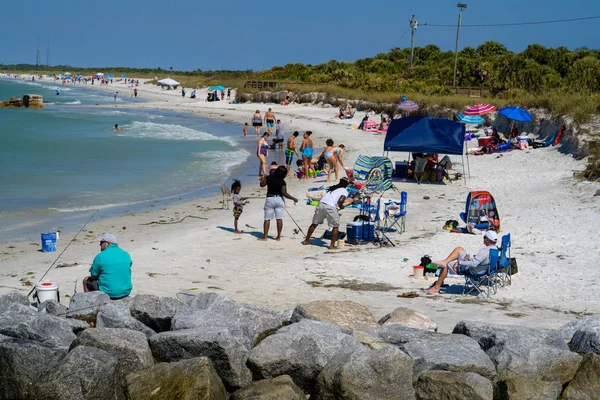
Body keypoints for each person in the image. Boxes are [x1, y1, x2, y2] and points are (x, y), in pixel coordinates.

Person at [424, 231, 499, 294]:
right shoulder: (495, 249)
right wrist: (469, 259)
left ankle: (436, 287)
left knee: (446, 265)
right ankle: (445, 261)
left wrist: (459, 262)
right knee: (460, 249)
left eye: (484, 237)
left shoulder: (484, 251)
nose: (484, 239)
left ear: (488, 240)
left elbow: (474, 264)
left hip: (472, 271)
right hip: (482, 270)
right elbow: (480, 261)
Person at [302, 178, 356, 249]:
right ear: (346, 185)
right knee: (335, 226)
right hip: (330, 206)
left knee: (315, 223)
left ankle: (306, 240)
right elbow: (341, 201)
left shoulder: (333, 188)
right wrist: (341, 206)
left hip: (321, 204)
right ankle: (332, 246)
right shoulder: (344, 191)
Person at [82, 233, 132, 300]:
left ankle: (88, 303)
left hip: (109, 293)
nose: (100, 245)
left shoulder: (100, 256)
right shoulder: (126, 254)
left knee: (86, 280)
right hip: (126, 291)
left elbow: (94, 276)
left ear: (107, 243)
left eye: (101, 243)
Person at [259, 166, 298, 241]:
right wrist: (293, 198)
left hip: (270, 199)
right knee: (279, 219)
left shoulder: (269, 178)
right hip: (279, 200)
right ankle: (278, 237)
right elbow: (284, 193)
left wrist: (264, 177)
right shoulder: (282, 182)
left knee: (267, 219)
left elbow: (262, 185)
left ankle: (265, 237)